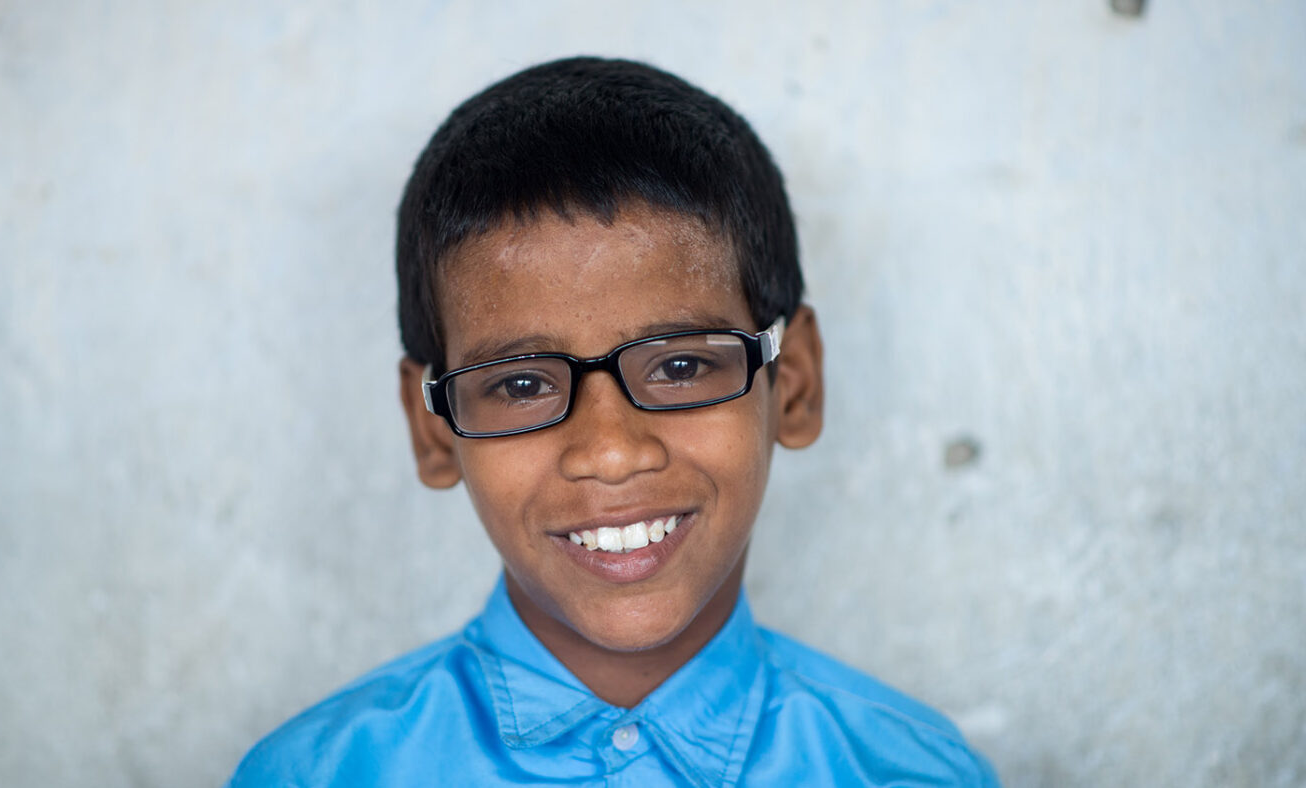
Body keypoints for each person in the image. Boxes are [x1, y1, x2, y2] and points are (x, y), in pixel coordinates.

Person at [228, 56, 999, 787]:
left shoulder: (909, 772)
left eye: (680, 366)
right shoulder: (316, 776)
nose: (611, 452)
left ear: (792, 384)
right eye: (521, 384)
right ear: (433, 428)